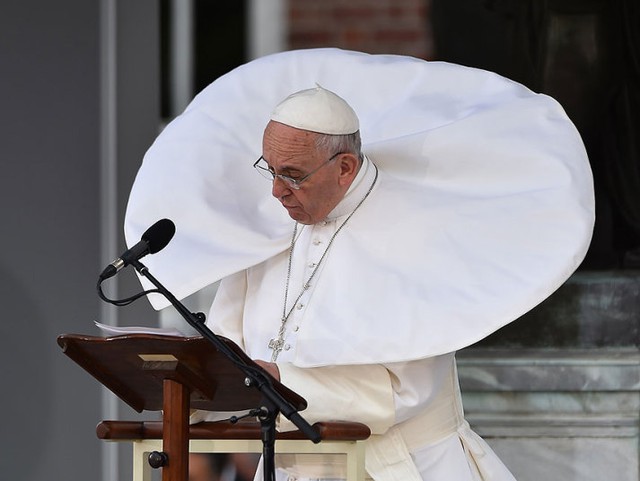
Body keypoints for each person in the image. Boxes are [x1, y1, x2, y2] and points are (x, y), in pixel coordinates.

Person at [125, 49, 594, 481]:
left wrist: (282, 381)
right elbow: (229, 353)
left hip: (403, 467)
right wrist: (186, 387)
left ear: (345, 167)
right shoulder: (270, 226)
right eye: (268, 170)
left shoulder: (415, 233)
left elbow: (404, 393)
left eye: (292, 176)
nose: (275, 191)